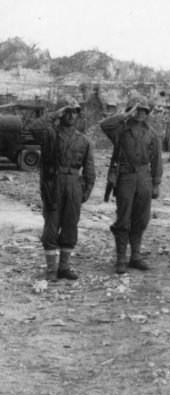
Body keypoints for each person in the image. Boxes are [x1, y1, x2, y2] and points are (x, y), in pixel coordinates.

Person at [30, 96, 95, 281]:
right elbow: (35, 127)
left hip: (74, 185)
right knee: (51, 226)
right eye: (67, 111)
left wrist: (84, 192)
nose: (71, 115)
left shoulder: (84, 140)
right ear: (61, 113)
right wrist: (55, 114)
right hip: (54, 184)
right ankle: (51, 270)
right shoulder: (50, 134)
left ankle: (64, 267)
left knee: (70, 226)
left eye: (74, 112)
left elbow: (89, 170)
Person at [99, 93, 163, 274]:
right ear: (131, 110)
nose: (140, 113)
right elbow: (104, 125)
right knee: (123, 218)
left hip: (144, 177)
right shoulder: (120, 130)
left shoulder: (151, 134)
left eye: (143, 110)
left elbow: (157, 160)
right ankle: (121, 258)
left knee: (141, 218)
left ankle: (135, 256)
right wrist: (126, 115)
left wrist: (156, 183)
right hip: (125, 176)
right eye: (137, 110)